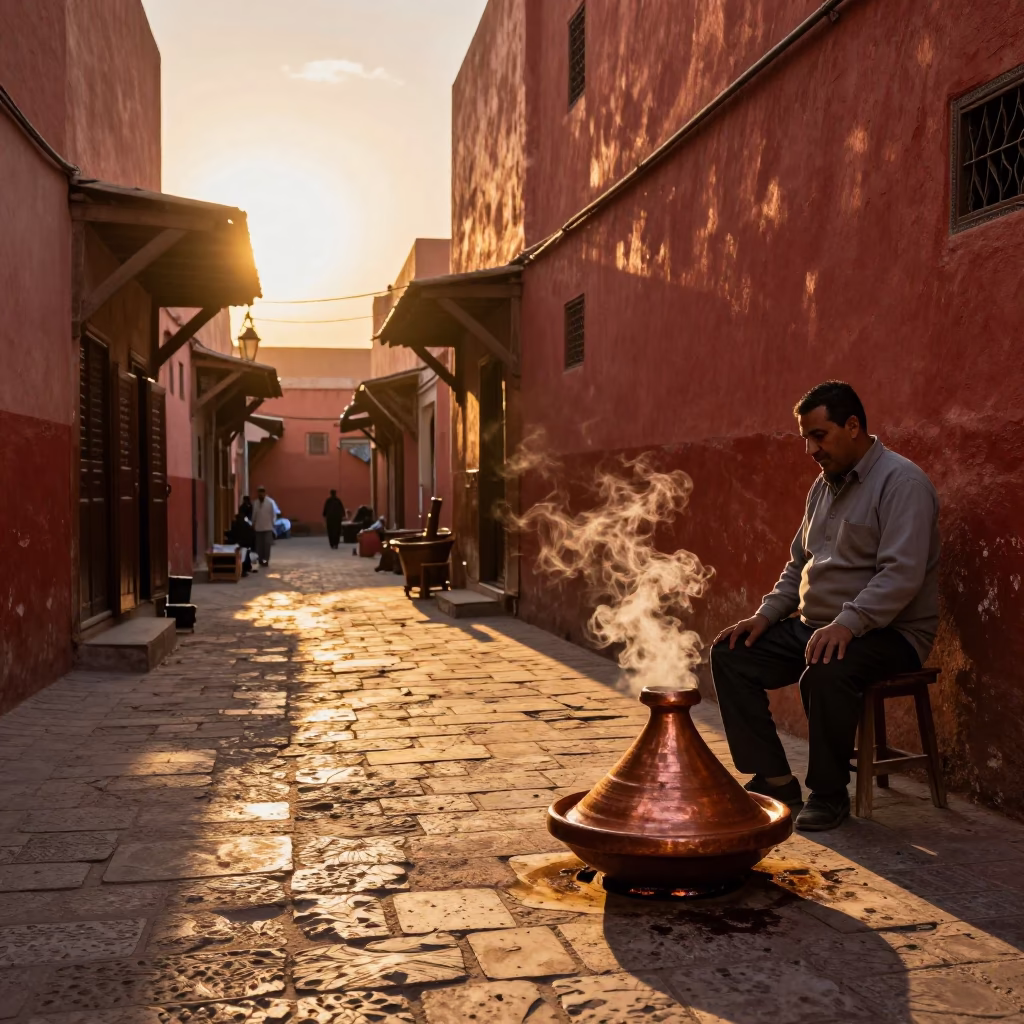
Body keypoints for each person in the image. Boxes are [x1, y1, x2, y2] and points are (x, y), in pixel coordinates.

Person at [710, 381, 939, 833]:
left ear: (853, 426)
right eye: (806, 439)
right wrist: (766, 615)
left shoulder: (902, 483)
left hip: (890, 633)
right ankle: (775, 780)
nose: (811, 449)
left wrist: (848, 624)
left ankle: (829, 795)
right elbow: (799, 564)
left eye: (819, 436)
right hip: (817, 626)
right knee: (732, 654)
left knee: (827, 669)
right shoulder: (823, 486)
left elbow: (901, 576)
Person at [252, 486, 279, 567]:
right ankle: (260, 559)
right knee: (259, 545)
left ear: (264, 493)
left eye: (262, 492)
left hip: (268, 527)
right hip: (258, 527)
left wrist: (273, 523)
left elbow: (274, 514)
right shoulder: (256, 502)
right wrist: (253, 523)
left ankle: (266, 560)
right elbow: (254, 514)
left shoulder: (270, 502)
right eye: (259, 492)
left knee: (267, 544)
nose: (261, 494)